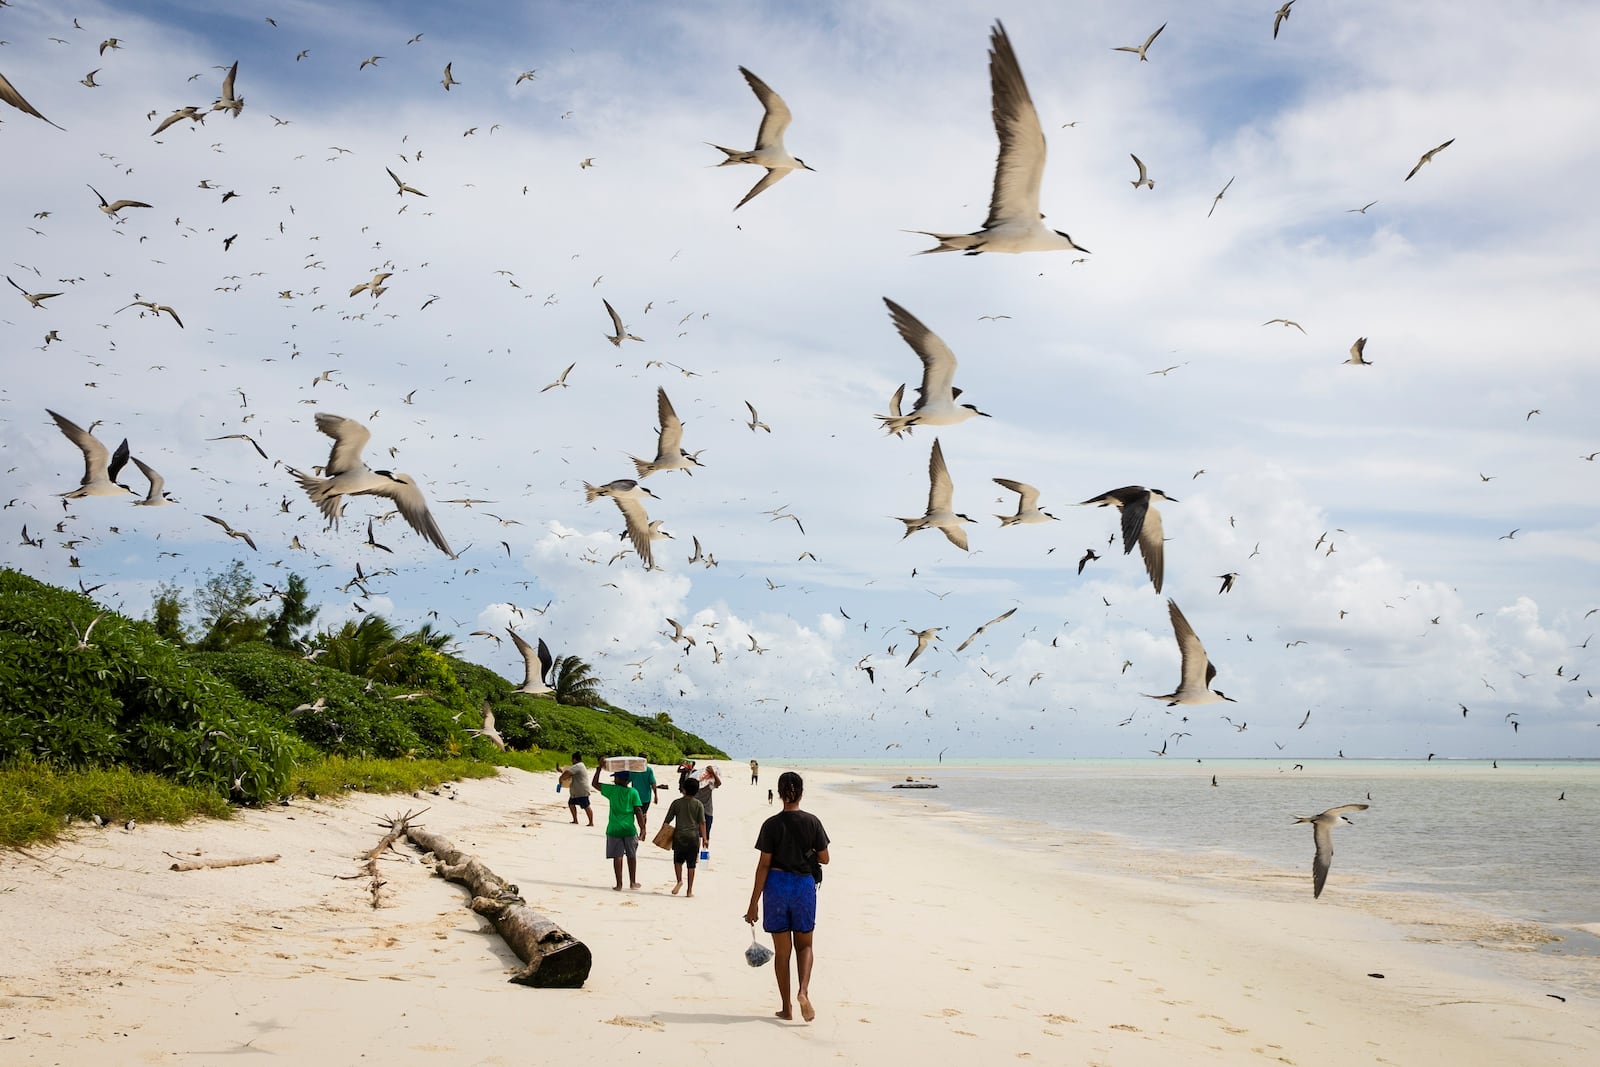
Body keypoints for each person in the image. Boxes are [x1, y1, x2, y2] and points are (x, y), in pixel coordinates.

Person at [744, 771, 829, 1022]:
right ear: (801, 793)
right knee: (805, 945)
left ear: (780, 794)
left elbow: (763, 866)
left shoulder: (771, 824)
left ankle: (786, 1008)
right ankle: (803, 992)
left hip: (777, 887)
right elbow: (825, 859)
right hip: (803, 886)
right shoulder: (813, 822)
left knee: (783, 952)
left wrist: (753, 905)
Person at [595, 770, 645, 890]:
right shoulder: (633, 792)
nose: (614, 779)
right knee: (631, 855)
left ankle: (619, 884)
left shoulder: (612, 790)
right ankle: (633, 882)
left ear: (619, 779)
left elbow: (595, 784)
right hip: (629, 829)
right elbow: (638, 810)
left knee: (618, 856)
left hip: (614, 828)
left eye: (616, 777)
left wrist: (598, 769)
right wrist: (643, 828)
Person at [662, 777, 707, 897]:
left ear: (683, 789)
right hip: (693, 838)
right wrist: (705, 839)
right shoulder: (699, 804)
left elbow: (667, 820)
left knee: (677, 861)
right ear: (697, 791)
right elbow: (702, 823)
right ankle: (689, 890)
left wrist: (663, 832)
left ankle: (679, 881)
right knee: (691, 864)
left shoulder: (676, 803)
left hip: (679, 837)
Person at [560, 752, 593, 827]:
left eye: (572, 759)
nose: (571, 761)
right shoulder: (579, 766)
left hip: (581, 790)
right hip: (577, 790)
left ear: (575, 759)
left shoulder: (578, 766)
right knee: (571, 804)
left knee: (586, 805)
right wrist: (561, 771)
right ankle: (575, 820)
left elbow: (568, 772)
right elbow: (568, 770)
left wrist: (561, 778)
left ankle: (591, 822)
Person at [696, 764, 722, 843]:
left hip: (706, 810)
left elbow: (718, 783)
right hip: (704, 810)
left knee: (702, 834)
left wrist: (710, 775)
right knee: (703, 835)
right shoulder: (703, 785)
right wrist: (713, 774)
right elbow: (718, 783)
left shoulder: (709, 784)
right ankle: (701, 852)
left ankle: (701, 852)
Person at [632, 760, 659, 824]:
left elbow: (627, 780)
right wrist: (656, 795)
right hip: (646, 797)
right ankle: (643, 830)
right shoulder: (649, 770)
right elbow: (653, 783)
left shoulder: (634, 770)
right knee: (643, 815)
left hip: (635, 797)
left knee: (632, 814)